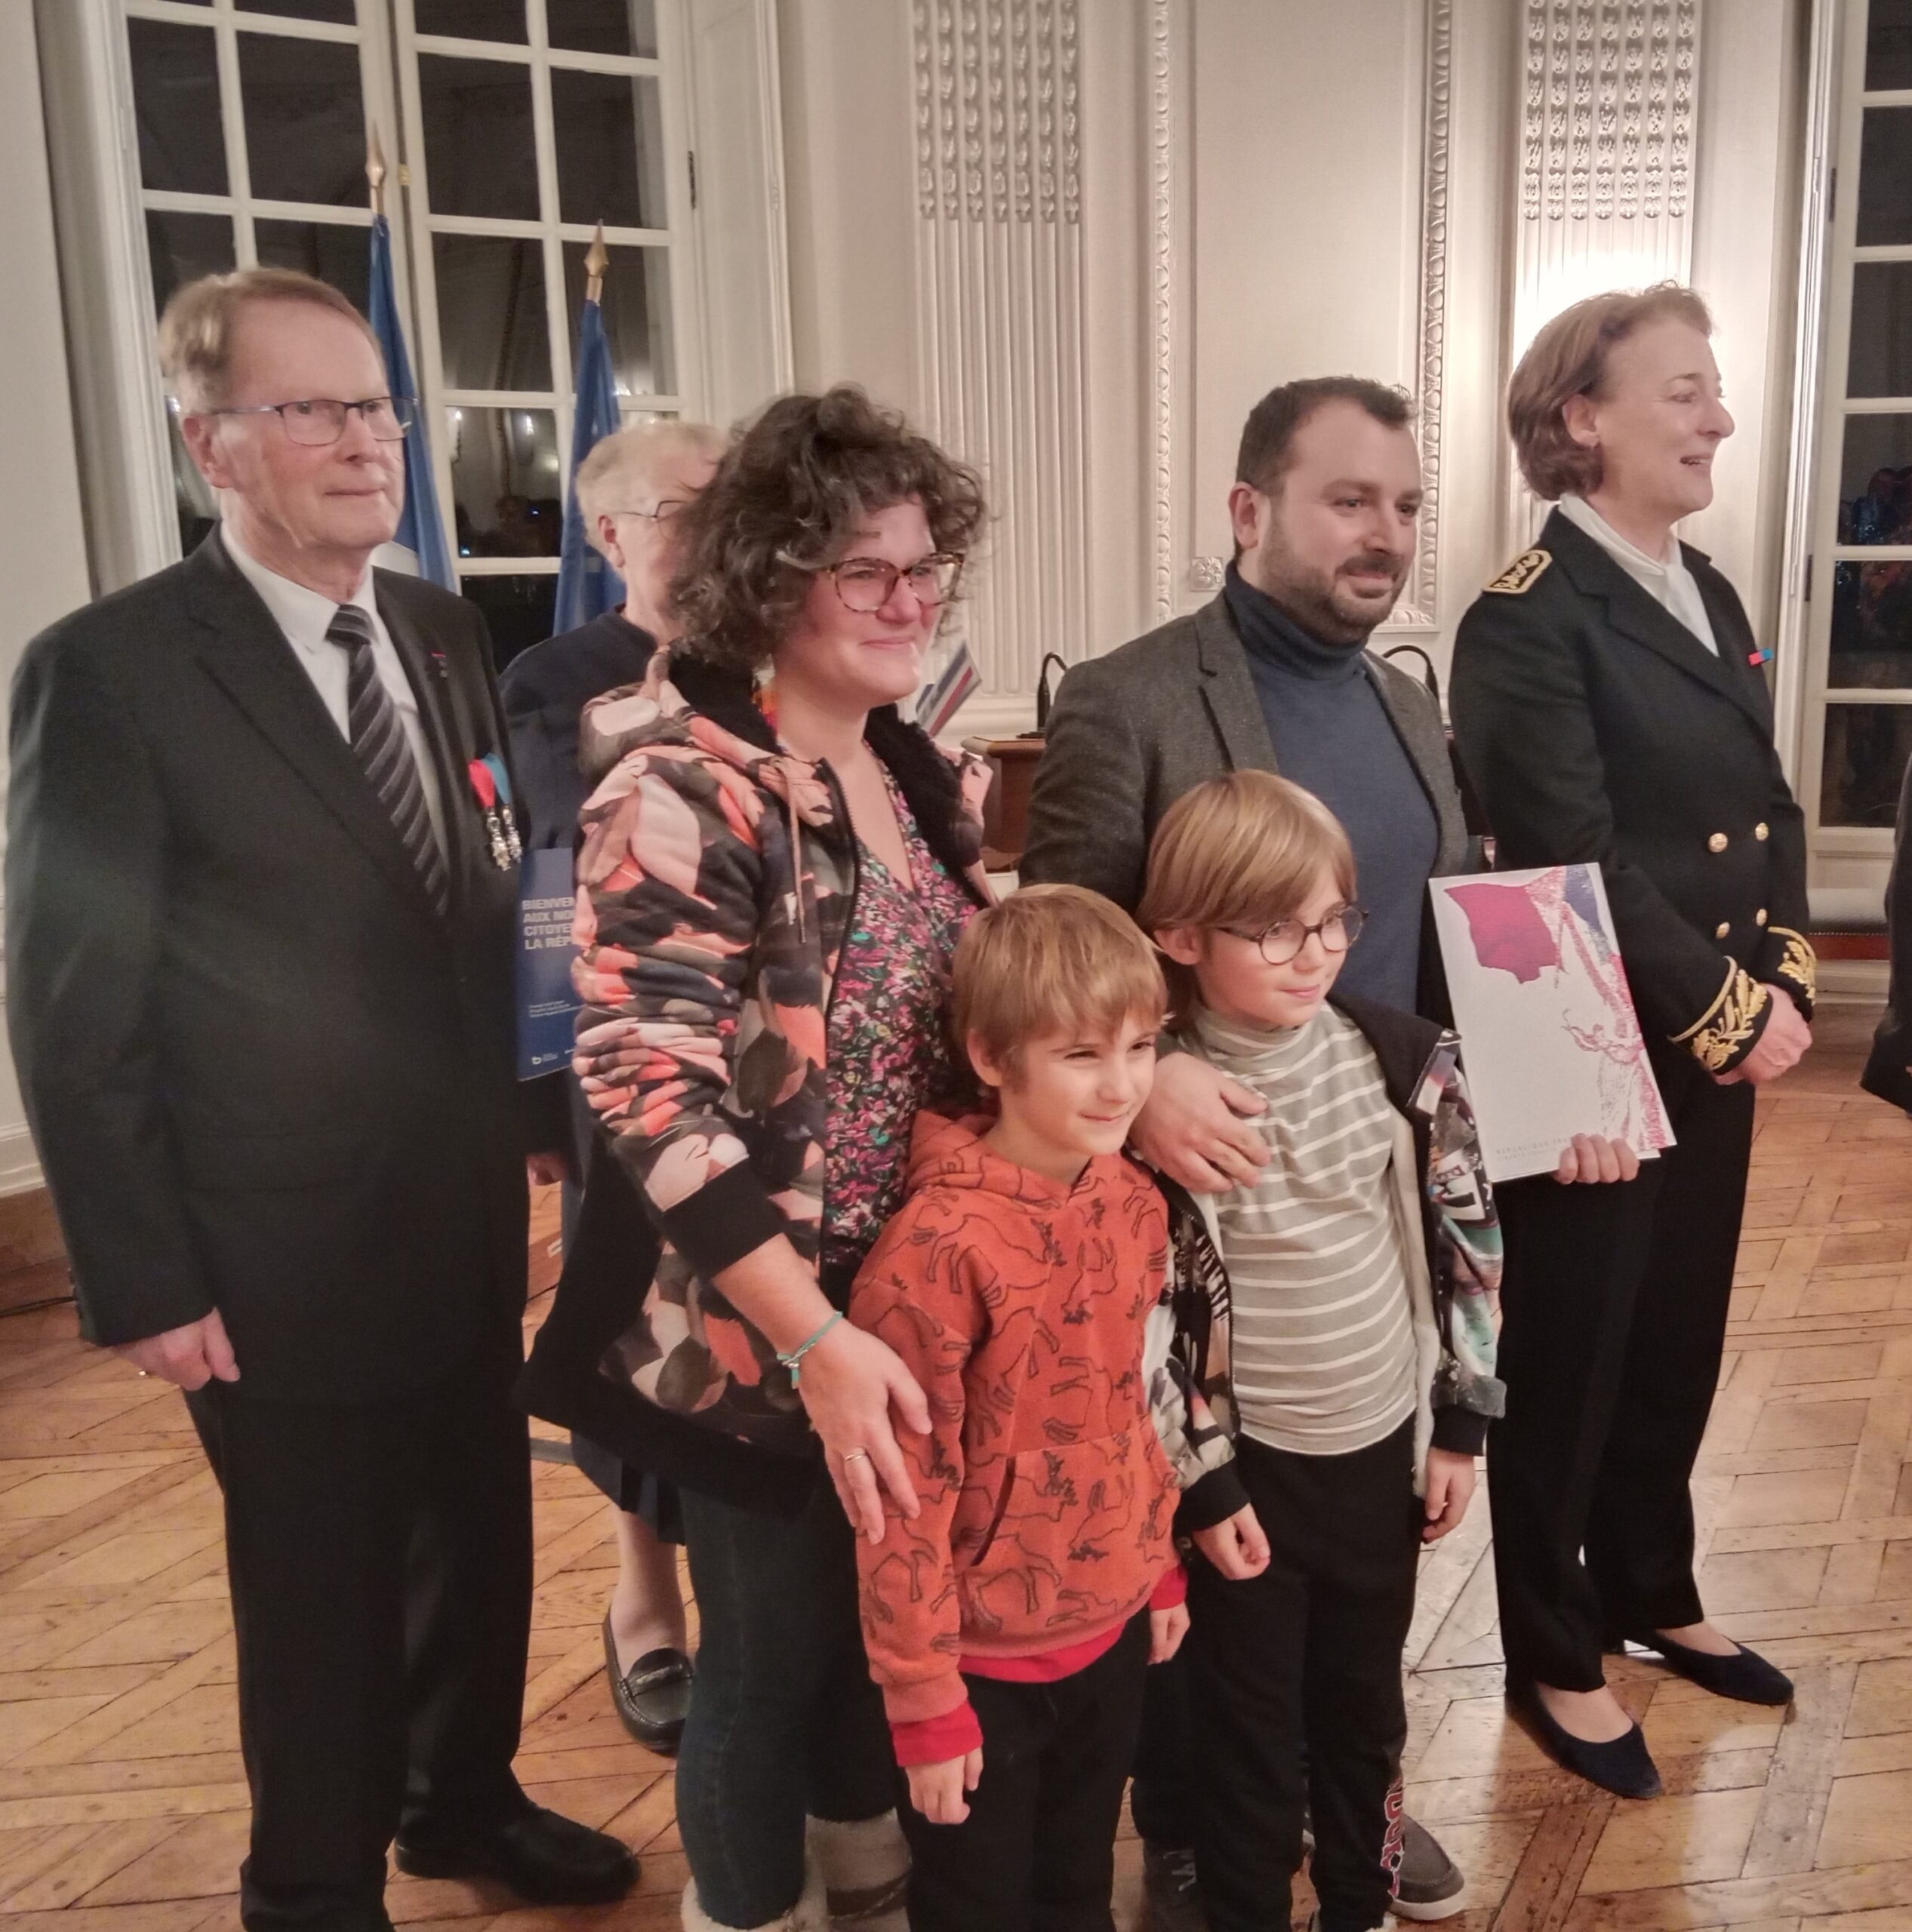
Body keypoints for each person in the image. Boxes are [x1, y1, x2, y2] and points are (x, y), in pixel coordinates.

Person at [4, 269, 634, 1932]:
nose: (368, 442)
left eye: (376, 407)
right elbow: (73, 1009)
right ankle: (310, 1883)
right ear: (209, 443)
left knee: (477, 1534)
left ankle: (460, 1802)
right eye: (313, 410)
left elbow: (470, 901)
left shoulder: (436, 628)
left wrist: (545, 1118)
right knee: (319, 1590)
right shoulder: (111, 672)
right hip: (263, 1248)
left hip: (455, 1210)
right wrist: (144, 1277)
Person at [516, 385, 993, 1932]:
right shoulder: (678, 779)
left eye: (924, 567)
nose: (909, 599)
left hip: (906, 1297)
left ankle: (864, 1885)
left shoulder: (905, 765)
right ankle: (747, 1909)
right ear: (771, 579)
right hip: (755, 1324)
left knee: (873, 1630)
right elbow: (643, 1087)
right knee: (768, 1660)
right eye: (866, 570)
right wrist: (813, 1338)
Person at [1021, 377, 1473, 1926]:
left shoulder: (1406, 700)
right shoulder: (1131, 695)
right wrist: (1141, 1079)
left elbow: (1436, 933)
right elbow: (1056, 939)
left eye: (1402, 504)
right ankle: (1194, 1827)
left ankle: (1343, 1803)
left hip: (1356, 1185)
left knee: (1340, 1597)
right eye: (1347, 499)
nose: (1383, 533)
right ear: (1248, 510)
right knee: (1217, 1575)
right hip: (1195, 1213)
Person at [1451, 283, 1814, 1800]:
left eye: (1712, 391)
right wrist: (1726, 1008)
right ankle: (1551, 1644)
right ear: (1581, 417)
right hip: (1592, 1040)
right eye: (1683, 391)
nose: (1717, 417)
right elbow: (1570, 854)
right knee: (1572, 1353)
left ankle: (1648, 1586)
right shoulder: (1524, 613)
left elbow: (1768, 805)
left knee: (1673, 1334)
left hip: (1715, 1036)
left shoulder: (1703, 589)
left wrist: (1781, 972)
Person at [1136, 771, 1506, 1932]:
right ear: (1180, 936)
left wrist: (1461, 1425)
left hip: (1379, 1464)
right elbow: (1144, 1319)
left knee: (1364, 1723)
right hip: (1244, 1483)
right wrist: (1204, 1481)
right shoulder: (1150, 1107)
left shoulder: (1405, 1061)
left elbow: (1470, 1248)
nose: (1315, 954)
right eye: (1273, 930)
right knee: (1243, 1744)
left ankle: (1360, 1902)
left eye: (1333, 920)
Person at [851, 885, 1213, 1932]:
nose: (1122, 1084)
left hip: (1109, 1629)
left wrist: (1154, 1564)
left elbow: (1132, 1402)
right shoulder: (934, 1251)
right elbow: (901, 1490)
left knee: (1076, 1889)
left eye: (1140, 1047)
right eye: (1081, 1054)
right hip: (978, 1667)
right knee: (975, 1906)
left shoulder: (1133, 1200)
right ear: (991, 1057)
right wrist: (922, 1694)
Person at [500, 418, 725, 1754]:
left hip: (762, 1052)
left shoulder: (772, 653)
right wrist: (537, 1111)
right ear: (610, 534)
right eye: (682, 509)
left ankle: (748, 1591)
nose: (715, 530)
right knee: (635, 1325)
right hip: (619, 1057)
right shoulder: (553, 677)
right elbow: (554, 862)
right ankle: (644, 1599)